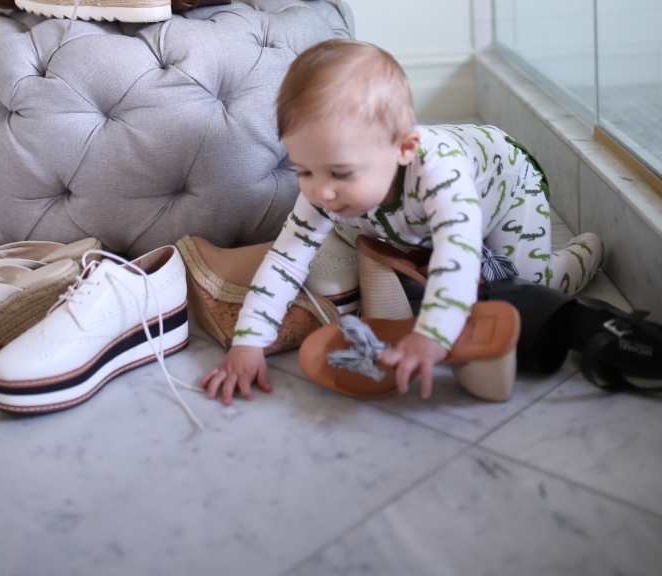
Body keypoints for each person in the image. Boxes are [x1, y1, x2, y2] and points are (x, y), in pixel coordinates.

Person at [202, 39, 602, 405]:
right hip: (418, 212)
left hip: (508, 190)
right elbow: (285, 260)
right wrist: (248, 342)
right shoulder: (330, 181)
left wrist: (432, 334)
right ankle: (398, 235)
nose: (320, 191)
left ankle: (580, 257)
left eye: (340, 173)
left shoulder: (440, 172)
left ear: (404, 149)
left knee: (525, 290)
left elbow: (455, 252)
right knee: (345, 219)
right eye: (303, 171)